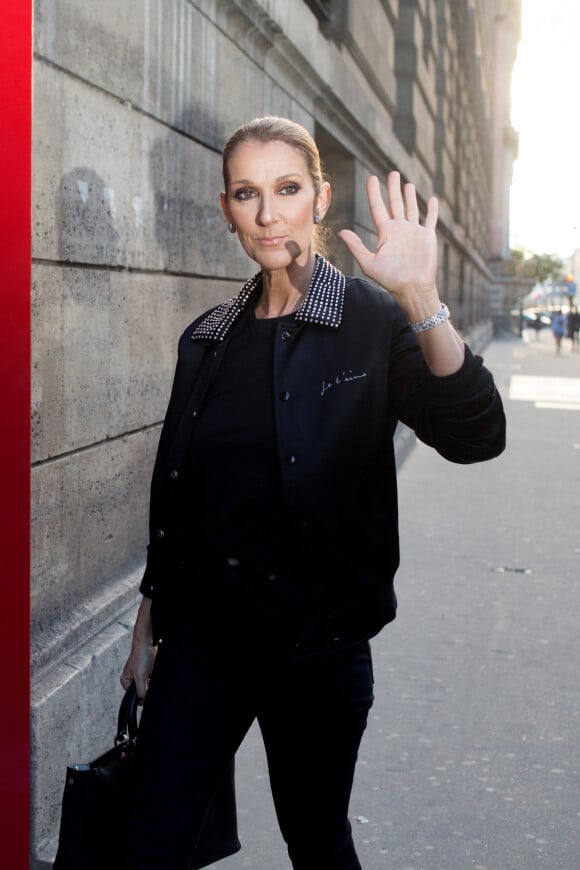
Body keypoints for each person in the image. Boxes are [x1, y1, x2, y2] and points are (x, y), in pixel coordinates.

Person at [120, 116, 506, 870]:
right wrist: (147, 621)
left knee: (317, 841)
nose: (268, 215)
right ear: (226, 206)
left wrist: (421, 295)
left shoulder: (374, 321)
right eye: (247, 193)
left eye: (287, 189)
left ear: (319, 198)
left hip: (318, 649)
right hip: (203, 644)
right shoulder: (205, 339)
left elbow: (476, 435)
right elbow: (184, 504)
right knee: (149, 843)